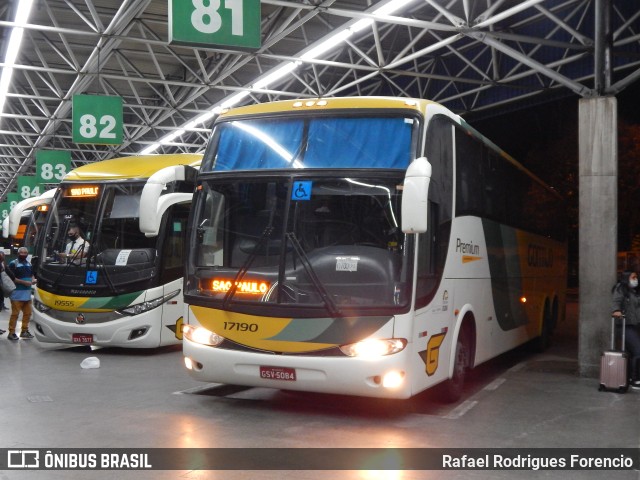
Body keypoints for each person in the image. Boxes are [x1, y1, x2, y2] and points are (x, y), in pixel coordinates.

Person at [611, 270, 640, 389]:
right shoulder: (620, 288)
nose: (636, 279)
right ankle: (635, 379)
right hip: (624, 325)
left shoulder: (633, 290)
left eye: (636, 277)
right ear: (626, 278)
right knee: (638, 351)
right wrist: (616, 310)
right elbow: (616, 302)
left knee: (631, 352)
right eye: (633, 277)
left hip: (634, 325)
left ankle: (627, 377)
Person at [6, 247, 36, 341]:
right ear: (18, 253)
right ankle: (11, 332)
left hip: (27, 294)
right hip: (16, 294)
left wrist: (33, 280)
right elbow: (11, 278)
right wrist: (24, 282)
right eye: (21, 252)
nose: (23, 254)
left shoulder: (29, 263)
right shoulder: (13, 264)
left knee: (28, 313)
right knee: (15, 314)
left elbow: (31, 274)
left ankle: (24, 331)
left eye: (25, 252)